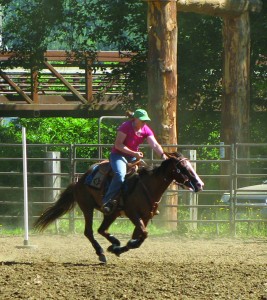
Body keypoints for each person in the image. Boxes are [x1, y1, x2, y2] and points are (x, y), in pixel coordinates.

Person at [102, 108, 168, 214]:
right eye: (142, 120)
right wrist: (134, 153)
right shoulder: (126, 127)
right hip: (118, 155)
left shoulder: (145, 129)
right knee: (120, 174)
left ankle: (146, 203)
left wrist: (162, 155)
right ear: (135, 119)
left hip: (132, 157)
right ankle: (107, 201)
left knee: (147, 175)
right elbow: (118, 145)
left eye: (145, 121)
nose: (144, 123)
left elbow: (155, 144)